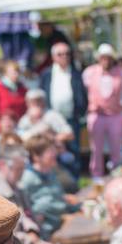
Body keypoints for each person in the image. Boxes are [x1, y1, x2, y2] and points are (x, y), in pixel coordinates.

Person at [19, 134, 80, 240]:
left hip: (64, 226)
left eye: (53, 150)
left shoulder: (50, 173)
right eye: (49, 151)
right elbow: (31, 212)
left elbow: (59, 200)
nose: (54, 154)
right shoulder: (27, 180)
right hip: (48, 234)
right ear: (36, 156)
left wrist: (78, 207)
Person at [82, 44, 122, 177]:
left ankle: (116, 174)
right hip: (96, 114)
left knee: (116, 148)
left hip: (115, 115)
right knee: (96, 149)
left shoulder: (121, 73)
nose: (106, 61)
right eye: (103, 57)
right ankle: (96, 175)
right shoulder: (90, 72)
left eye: (108, 58)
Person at [40, 42, 87, 177]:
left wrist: (80, 113)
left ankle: (74, 181)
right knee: (51, 151)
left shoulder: (76, 73)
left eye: (67, 54)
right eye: (60, 54)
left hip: (71, 119)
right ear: (53, 57)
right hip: (51, 121)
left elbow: (82, 96)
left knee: (73, 150)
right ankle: (57, 181)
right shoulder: (47, 74)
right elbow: (42, 94)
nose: (64, 57)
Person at [0, 61, 27, 137]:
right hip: (2, 130)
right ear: (6, 73)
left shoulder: (23, 89)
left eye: (18, 72)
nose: (16, 75)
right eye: (13, 72)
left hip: (19, 129)